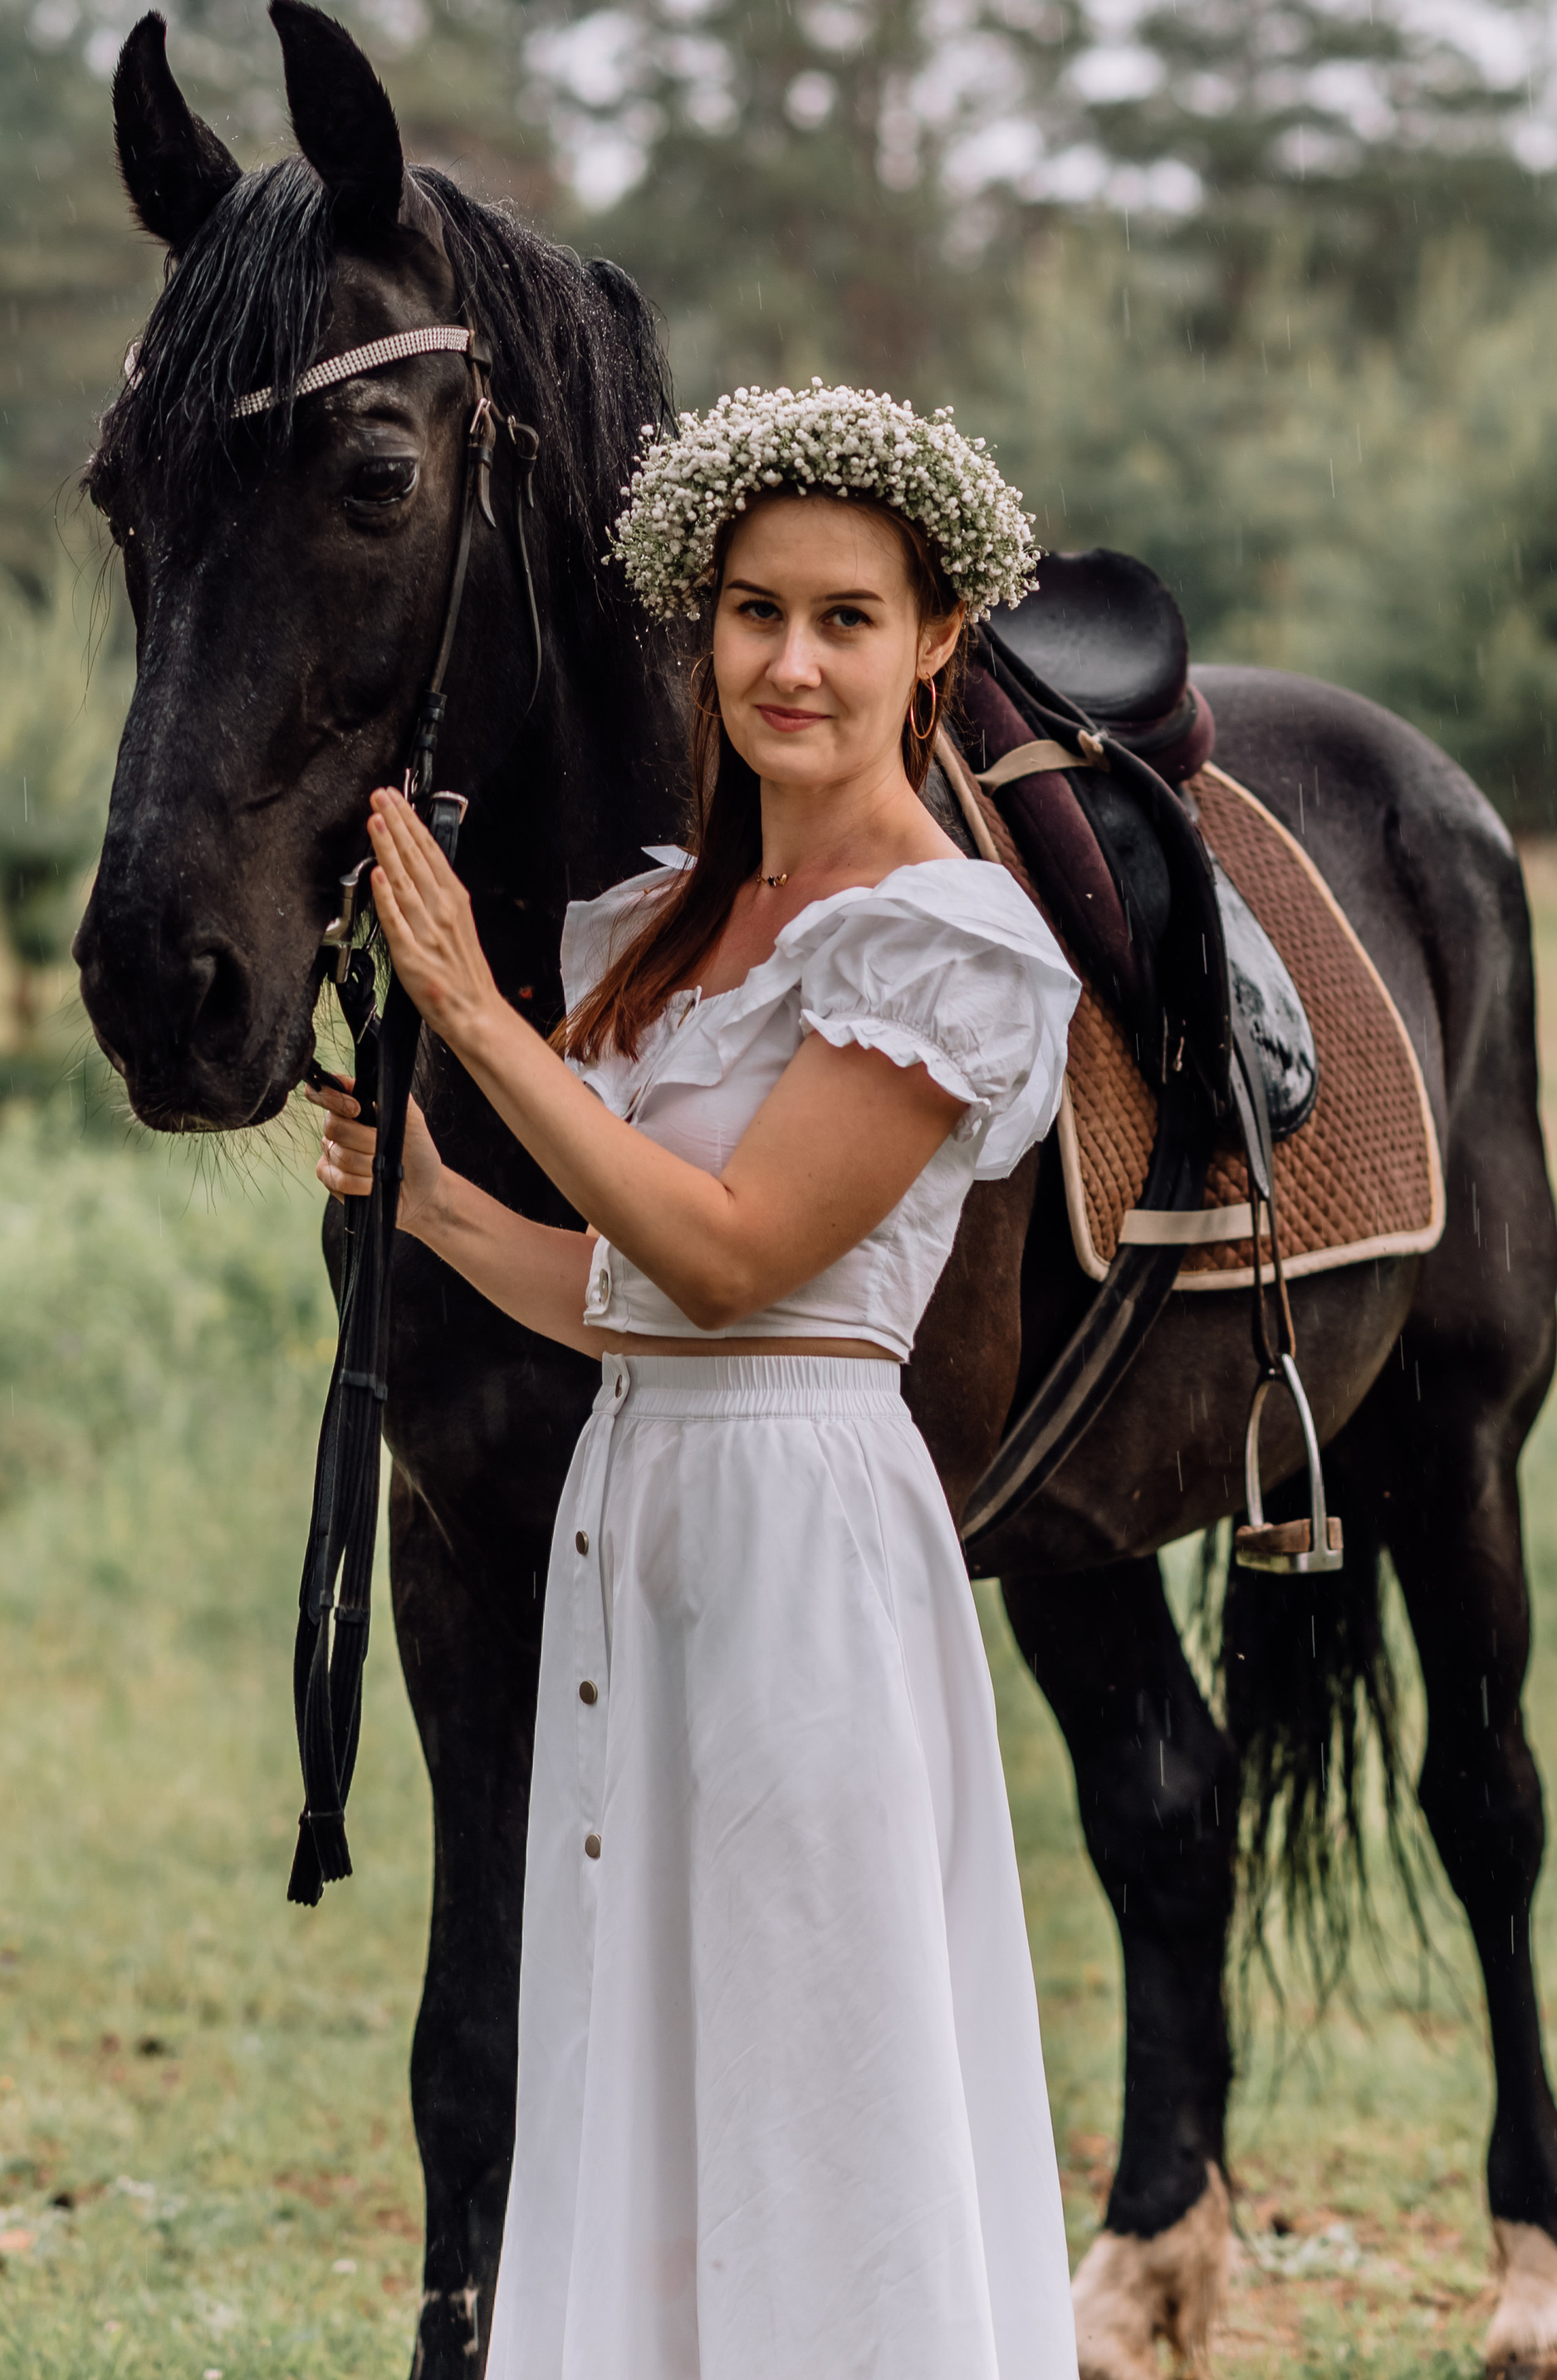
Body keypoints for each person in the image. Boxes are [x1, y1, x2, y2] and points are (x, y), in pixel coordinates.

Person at [307, 382, 1081, 2379]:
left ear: (932, 646)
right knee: (638, 2028)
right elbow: (637, 1293)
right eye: (752, 615)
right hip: (641, 1505)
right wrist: (435, 1214)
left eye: (843, 618)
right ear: (703, 630)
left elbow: (740, 1250)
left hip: (802, 1533)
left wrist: (481, 1028)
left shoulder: (944, 940)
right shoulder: (668, 922)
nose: (790, 663)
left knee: (808, 2043)